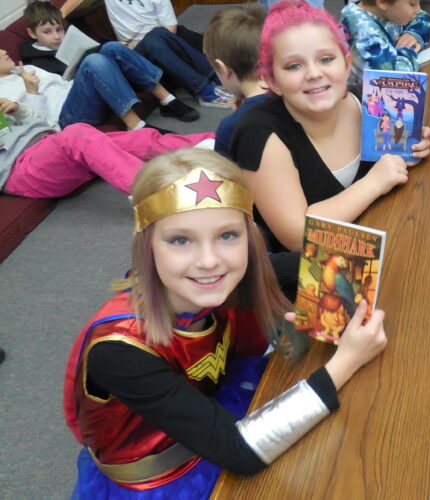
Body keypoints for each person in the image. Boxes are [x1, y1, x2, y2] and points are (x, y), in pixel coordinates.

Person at [63, 149, 387, 497]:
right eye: (180, 240)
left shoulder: (220, 277)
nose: (209, 261)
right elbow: (240, 452)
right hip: (163, 476)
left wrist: (336, 307)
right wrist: (347, 360)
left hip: (214, 414)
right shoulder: (119, 350)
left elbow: (305, 265)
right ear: (147, 247)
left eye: (228, 235)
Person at [230, 1, 430, 293]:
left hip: (384, 240)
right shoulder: (258, 134)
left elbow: (391, 158)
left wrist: (408, 146)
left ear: (347, 64)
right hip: (317, 282)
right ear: (271, 81)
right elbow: (299, 236)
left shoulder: (368, 100)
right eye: (294, 66)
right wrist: (375, 182)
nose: (314, 73)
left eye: (326, 59)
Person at [18, 0, 198, 124]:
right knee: (96, 60)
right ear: (32, 33)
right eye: (47, 32)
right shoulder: (34, 61)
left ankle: (167, 99)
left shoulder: (68, 40)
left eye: (59, 29)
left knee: (112, 47)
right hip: (80, 97)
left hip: (101, 78)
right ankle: (137, 123)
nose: (57, 36)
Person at [1, 97, 212, 198]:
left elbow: (44, 122)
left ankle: (211, 145)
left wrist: (18, 110)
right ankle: (151, 190)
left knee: (134, 140)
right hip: (20, 169)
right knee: (77, 134)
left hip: (48, 145)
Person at [59, 0, 230, 108]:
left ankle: (216, 78)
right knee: (154, 37)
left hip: (160, 40)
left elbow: (170, 29)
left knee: (159, 35)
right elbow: (72, 3)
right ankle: (206, 91)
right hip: (133, 50)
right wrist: (59, 16)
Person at [202, 5, 269, 156]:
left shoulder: (229, 127)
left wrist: (240, 116)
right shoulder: (295, 96)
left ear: (223, 69)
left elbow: (227, 169)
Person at [339, 0, 430, 90]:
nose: (417, 9)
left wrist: (413, 34)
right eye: (412, 4)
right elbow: (394, 81)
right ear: (382, 2)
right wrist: (410, 47)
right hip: (369, 96)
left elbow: (424, 17)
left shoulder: (386, 11)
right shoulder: (363, 32)